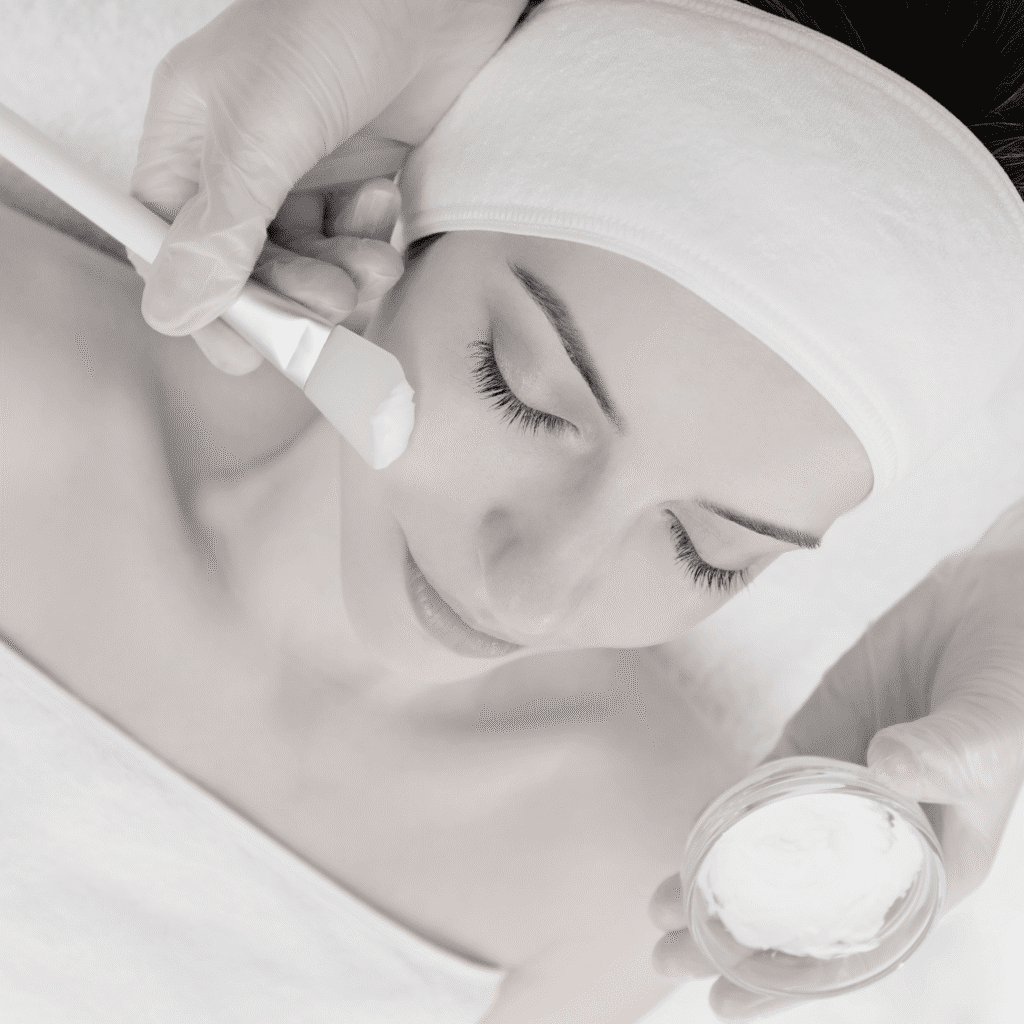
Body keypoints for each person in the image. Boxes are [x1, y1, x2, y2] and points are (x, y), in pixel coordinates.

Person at [3, 2, 1022, 1024]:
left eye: (711, 551)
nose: (529, 592)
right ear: (395, 218)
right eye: (521, 391)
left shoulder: (630, 873)